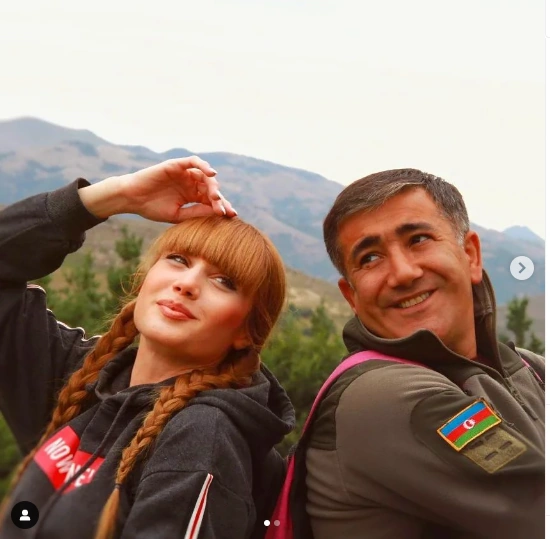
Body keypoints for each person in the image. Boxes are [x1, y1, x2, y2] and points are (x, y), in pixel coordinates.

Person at [0, 156, 295, 539]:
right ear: (144, 281)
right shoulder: (83, 379)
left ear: (247, 334)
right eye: (178, 259)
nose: (187, 284)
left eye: (224, 281)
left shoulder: (199, 438)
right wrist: (116, 196)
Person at [299, 169, 544, 538]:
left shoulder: (529, 368)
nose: (402, 273)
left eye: (418, 239)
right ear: (352, 297)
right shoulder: (384, 397)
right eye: (370, 258)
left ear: (470, 256)